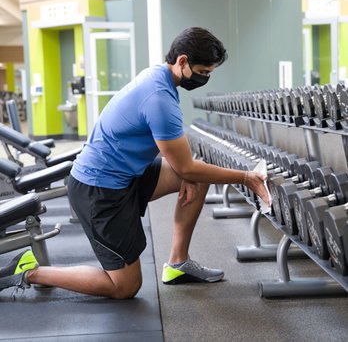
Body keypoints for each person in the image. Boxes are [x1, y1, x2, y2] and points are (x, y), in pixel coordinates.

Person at [0, 27, 270, 299]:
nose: (206, 77)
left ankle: (178, 263)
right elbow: (185, 165)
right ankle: (32, 270)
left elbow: (182, 163)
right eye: (203, 72)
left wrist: (187, 171)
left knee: (196, 177)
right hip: (99, 190)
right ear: (183, 61)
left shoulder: (159, 76)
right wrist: (246, 177)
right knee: (125, 287)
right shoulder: (159, 98)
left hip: (125, 175)